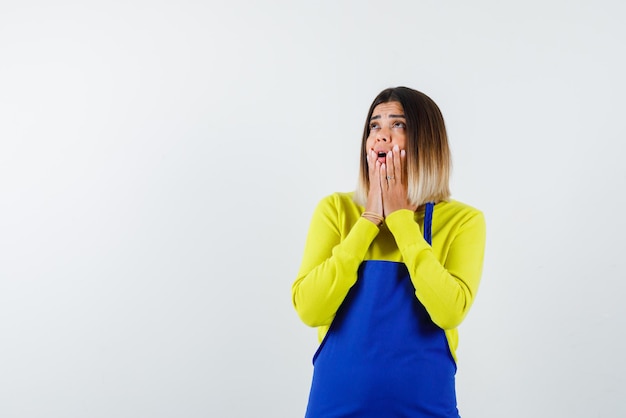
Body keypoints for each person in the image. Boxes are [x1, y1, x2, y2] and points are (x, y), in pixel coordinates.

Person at [291, 86, 486, 417]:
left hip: (425, 408)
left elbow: (450, 312)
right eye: (374, 125)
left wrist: (400, 221)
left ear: (427, 143)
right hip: (335, 407)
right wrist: (368, 220)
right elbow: (310, 310)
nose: (381, 136)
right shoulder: (336, 211)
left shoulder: (463, 221)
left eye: (399, 125)